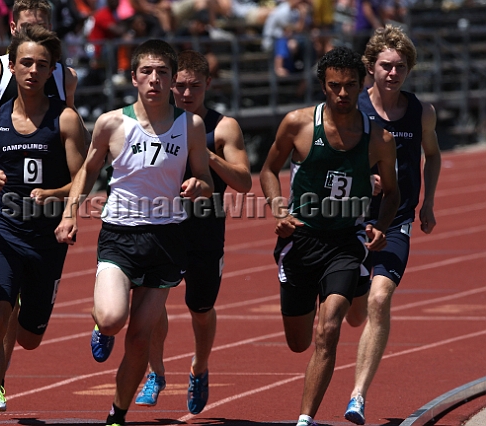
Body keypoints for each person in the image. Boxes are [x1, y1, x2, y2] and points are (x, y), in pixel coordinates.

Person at [56, 39, 214, 426]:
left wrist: (198, 187)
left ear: (173, 79)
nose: (155, 79)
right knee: (112, 319)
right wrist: (69, 213)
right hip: (121, 234)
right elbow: (89, 171)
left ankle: (117, 414)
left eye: (163, 72)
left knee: (141, 339)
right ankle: (101, 326)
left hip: (166, 237)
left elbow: (206, 179)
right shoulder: (112, 122)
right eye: (147, 72)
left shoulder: (190, 125)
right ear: (134, 78)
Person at [259, 46, 400, 426]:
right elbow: (269, 170)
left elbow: (392, 192)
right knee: (298, 342)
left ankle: (305, 419)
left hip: (344, 240)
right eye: (335, 86)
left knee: (330, 327)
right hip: (301, 242)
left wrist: (381, 226)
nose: (342, 94)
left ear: (362, 85)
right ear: (323, 85)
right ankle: (357, 289)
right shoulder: (298, 124)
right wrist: (279, 209)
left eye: (350, 86)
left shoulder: (379, 139)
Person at [0, 0, 81, 411]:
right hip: (1, 216)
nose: (31, 70)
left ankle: (19, 313)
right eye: (24, 63)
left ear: (51, 67)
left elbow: (81, 173)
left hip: (45, 234)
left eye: (40, 64)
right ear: (13, 61)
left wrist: (63, 202)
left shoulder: (65, 111)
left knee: (30, 335)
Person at [134, 49, 251, 414]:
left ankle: (199, 367)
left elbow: (244, 181)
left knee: (201, 308)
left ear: (207, 86)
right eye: (179, 87)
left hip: (205, 229)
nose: (185, 95)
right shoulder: (155, 122)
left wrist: (206, 152)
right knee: (151, 299)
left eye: (194, 88)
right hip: (163, 226)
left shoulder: (224, 127)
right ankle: (156, 372)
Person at [343, 25, 441, 425]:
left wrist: (429, 202)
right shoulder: (351, 109)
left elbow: (432, 155)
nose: (392, 73)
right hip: (350, 219)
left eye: (400, 66)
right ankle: (353, 292)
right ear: (370, 66)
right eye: (385, 65)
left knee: (380, 298)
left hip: (396, 219)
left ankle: (357, 397)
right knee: (351, 312)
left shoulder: (422, 112)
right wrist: (364, 176)